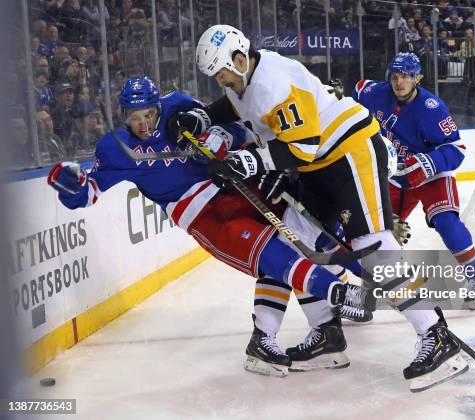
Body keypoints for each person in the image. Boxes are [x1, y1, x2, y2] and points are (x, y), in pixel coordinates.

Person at [170, 25, 469, 388]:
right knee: (294, 244)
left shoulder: (273, 82)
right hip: (317, 164)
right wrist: (204, 117)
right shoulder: (245, 77)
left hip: (348, 152)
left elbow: (303, 146)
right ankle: (327, 336)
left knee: (370, 246)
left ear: (238, 59)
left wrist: (251, 162)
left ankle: (435, 335)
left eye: (222, 75)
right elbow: (236, 106)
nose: (221, 82)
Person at [47, 77, 365, 378]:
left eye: (148, 114)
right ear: (122, 115)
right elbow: (87, 194)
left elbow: (237, 128)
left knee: (308, 237)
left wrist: (223, 137)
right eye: (134, 117)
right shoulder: (115, 148)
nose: (143, 124)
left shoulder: (179, 106)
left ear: (158, 106)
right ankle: (340, 293)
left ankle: (311, 330)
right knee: (272, 254)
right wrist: (70, 185)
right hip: (203, 213)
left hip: (240, 184)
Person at [352, 52, 475, 311]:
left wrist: (428, 164)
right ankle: (369, 288)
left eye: (406, 76)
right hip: (394, 175)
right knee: (374, 230)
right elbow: (357, 91)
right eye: (395, 76)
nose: (399, 82)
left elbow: (457, 148)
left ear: (418, 78)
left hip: (430, 174)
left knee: (446, 221)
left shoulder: (431, 108)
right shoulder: (377, 93)